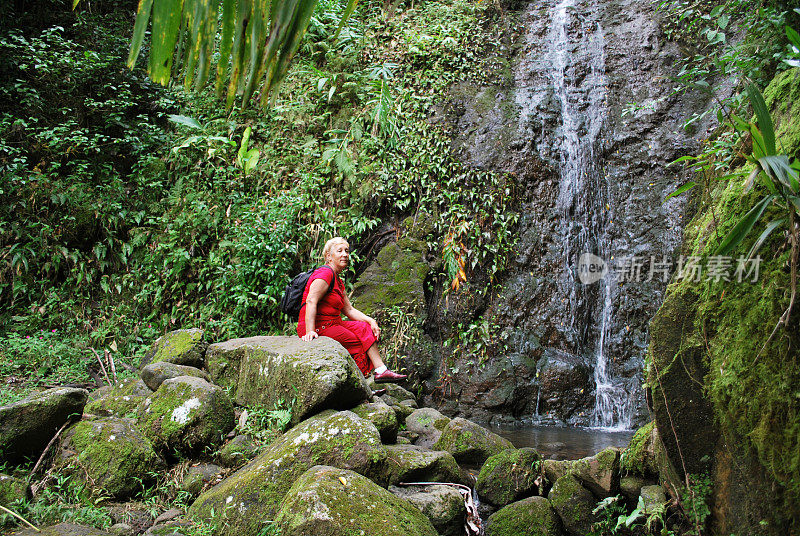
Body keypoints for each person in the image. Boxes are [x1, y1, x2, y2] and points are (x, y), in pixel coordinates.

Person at [297, 236, 407, 383]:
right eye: (340, 251)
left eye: (347, 251)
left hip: (333, 323)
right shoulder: (325, 273)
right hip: (318, 326)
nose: (345, 254)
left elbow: (348, 310)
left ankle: (381, 370)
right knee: (357, 343)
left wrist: (371, 320)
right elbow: (311, 300)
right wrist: (310, 331)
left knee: (364, 328)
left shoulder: (337, 279)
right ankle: (360, 386)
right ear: (328, 256)